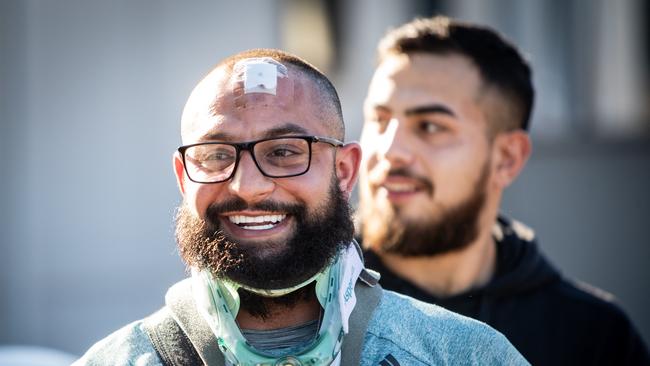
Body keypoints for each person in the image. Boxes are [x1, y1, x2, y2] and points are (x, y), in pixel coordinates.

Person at [74, 48, 527, 365]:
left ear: (346, 171)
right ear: (182, 176)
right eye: (215, 155)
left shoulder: (461, 354)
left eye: (285, 152)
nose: (248, 186)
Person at [357, 15, 650, 366]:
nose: (389, 151)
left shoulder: (593, 336)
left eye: (430, 126)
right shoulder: (301, 305)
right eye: (380, 120)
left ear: (507, 158)